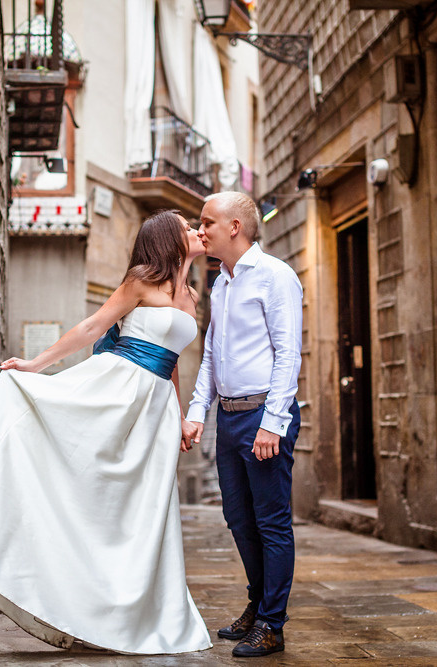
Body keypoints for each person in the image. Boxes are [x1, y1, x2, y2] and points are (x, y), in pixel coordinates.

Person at [0, 210, 213, 655]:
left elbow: (171, 365)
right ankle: (49, 581)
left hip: (156, 411)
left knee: (143, 510)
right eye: (187, 226)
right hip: (118, 389)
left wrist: (181, 417)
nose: (196, 230)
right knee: (92, 490)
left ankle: (126, 613)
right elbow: (93, 327)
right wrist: (35, 365)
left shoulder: (191, 294)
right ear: (170, 238)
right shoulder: (141, 281)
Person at [186, 192, 303, 658]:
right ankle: (258, 605)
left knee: (271, 522)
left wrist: (273, 423)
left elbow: (288, 353)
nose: (200, 230)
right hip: (229, 417)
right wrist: (198, 410)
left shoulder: (276, 276)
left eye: (207, 222)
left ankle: (272, 623)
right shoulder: (221, 282)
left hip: (263, 415)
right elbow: (211, 353)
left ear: (234, 227)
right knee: (238, 518)